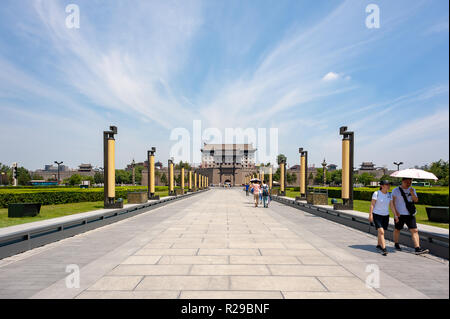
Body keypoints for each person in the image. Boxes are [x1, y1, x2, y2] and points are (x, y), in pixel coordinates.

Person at [392, 178, 429, 255]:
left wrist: (412, 193)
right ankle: (396, 243)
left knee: (414, 230)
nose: (408, 184)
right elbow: (393, 203)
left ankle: (417, 248)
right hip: (400, 214)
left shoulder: (412, 189)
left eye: (410, 182)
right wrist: (395, 213)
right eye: (406, 182)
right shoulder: (396, 190)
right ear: (402, 181)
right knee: (397, 229)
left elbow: (416, 200)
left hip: (410, 214)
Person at [369, 180, 395, 256]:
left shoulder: (389, 195)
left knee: (381, 231)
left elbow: (391, 206)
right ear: (382, 186)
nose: (388, 186)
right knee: (381, 232)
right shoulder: (376, 193)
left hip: (386, 216)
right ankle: (384, 248)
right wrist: (370, 215)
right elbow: (372, 205)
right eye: (387, 185)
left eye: (389, 185)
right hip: (377, 215)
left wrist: (395, 215)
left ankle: (378, 245)